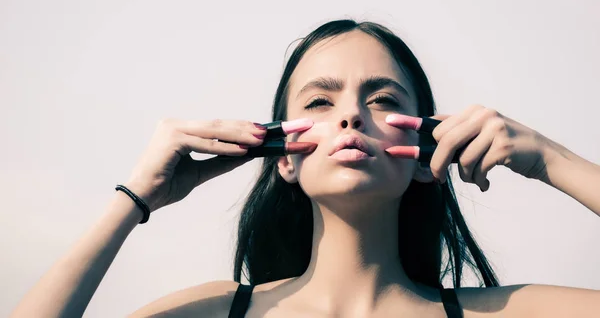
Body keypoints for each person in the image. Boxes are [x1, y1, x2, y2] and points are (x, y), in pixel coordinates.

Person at [10, 20, 600, 317]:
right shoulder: (224, 311)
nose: (351, 115)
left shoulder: (488, 313)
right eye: (320, 101)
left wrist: (552, 160)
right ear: (284, 159)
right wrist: (134, 198)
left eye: (385, 100)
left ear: (428, 154)